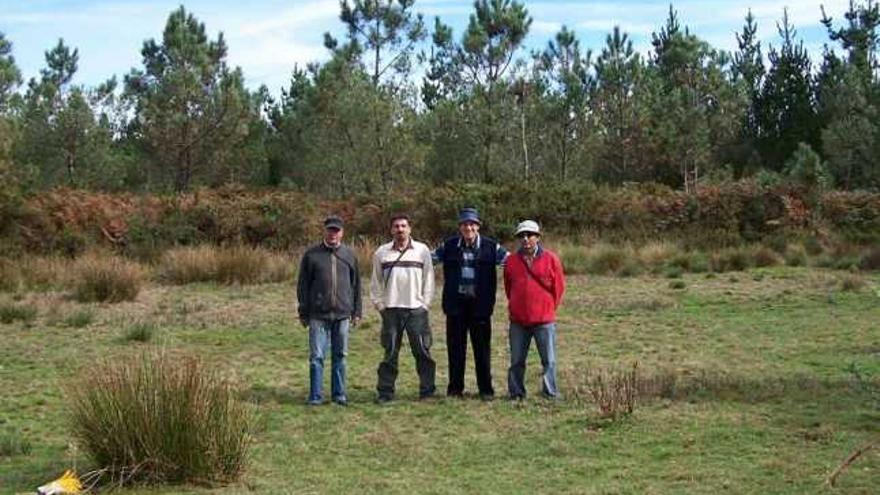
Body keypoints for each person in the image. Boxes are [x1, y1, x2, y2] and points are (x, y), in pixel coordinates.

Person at [434, 207, 507, 399]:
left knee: (482, 350)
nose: (469, 227)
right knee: (455, 349)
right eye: (465, 224)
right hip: (455, 306)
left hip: (480, 307)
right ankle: (455, 389)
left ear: (478, 226)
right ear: (459, 227)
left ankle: (486, 390)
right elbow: (428, 260)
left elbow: (511, 263)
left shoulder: (492, 247)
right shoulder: (449, 246)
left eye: (472, 224)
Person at [370, 213, 436, 403]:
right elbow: (375, 283)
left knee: (423, 352)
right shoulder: (381, 253)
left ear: (410, 229)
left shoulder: (422, 251)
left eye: (403, 226)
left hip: (416, 310)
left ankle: (427, 392)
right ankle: (385, 393)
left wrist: (425, 304)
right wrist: (380, 306)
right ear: (391, 230)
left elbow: (429, 280)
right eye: (396, 226)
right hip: (391, 311)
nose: (400, 229)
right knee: (390, 353)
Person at [296, 215, 362, 406]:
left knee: (340, 356)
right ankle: (315, 396)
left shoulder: (349, 255)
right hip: (318, 315)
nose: (333, 234)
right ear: (324, 231)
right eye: (330, 230)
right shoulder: (311, 254)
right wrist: (303, 311)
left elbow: (356, 285)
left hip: (342, 315)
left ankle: (339, 395)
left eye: (336, 230)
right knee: (317, 357)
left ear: (342, 232)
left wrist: (357, 311)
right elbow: (303, 285)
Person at [503, 220, 565, 400]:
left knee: (549, 360)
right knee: (516, 361)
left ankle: (550, 392)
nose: (525, 239)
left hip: (544, 320)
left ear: (537, 237)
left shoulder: (551, 259)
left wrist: (548, 308)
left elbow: (558, 288)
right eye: (521, 236)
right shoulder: (511, 261)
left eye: (530, 235)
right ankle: (516, 393)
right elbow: (509, 288)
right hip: (518, 321)